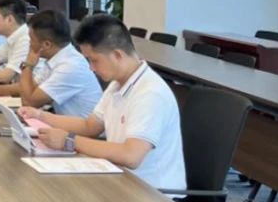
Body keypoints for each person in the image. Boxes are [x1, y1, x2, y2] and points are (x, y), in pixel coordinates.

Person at [20, 14, 186, 190]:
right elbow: (89, 126)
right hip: (121, 181)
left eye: (94, 60)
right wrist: (40, 115)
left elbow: (131, 156)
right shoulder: (117, 84)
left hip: (154, 194)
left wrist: (68, 141)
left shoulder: (150, 93)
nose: (91, 67)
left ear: (117, 55)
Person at [0, 10, 102, 119]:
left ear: (46, 44)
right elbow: (30, 87)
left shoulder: (69, 67)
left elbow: (28, 102)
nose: (29, 43)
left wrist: (28, 65)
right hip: (64, 125)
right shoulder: (57, 58)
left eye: (31, 39)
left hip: (84, 135)